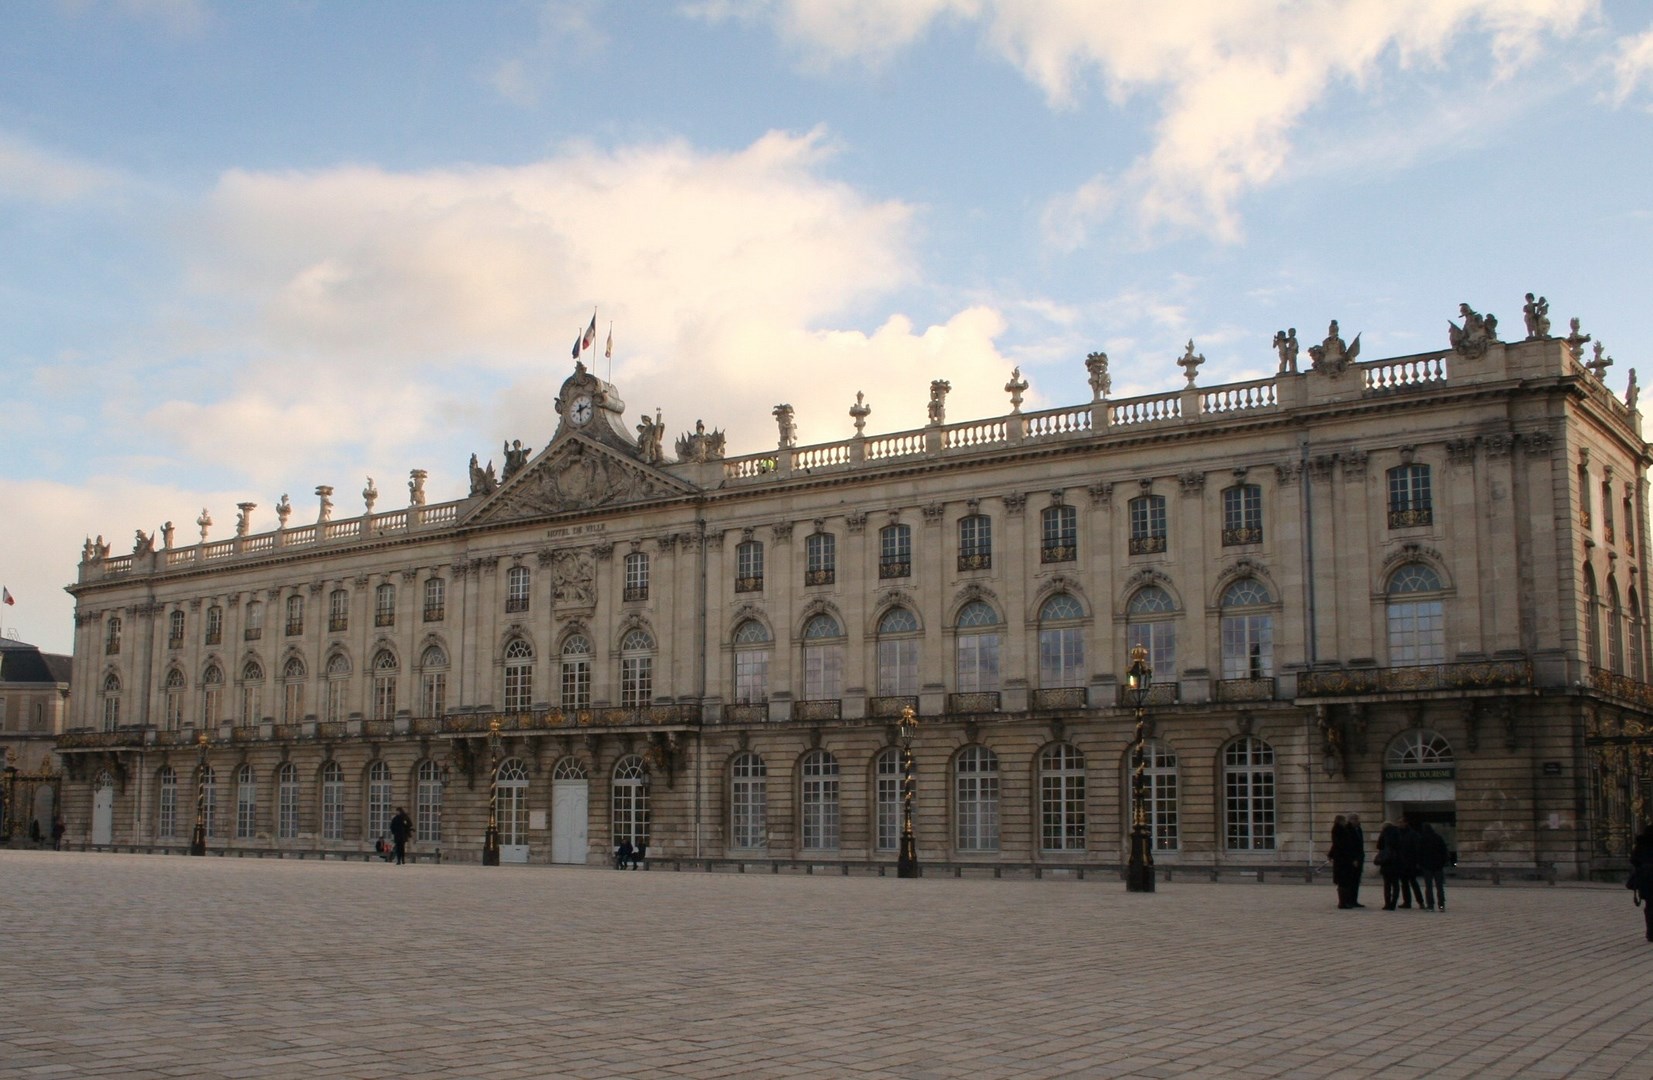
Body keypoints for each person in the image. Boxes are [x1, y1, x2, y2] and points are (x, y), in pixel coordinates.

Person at [1417, 822, 1449, 911]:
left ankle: (1430, 905)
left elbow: (1419, 853)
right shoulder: (1438, 838)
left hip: (1427, 866)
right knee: (1439, 887)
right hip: (1438, 866)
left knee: (1429, 887)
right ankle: (1441, 906)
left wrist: (1421, 864)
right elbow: (1444, 851)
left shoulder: (1422, 839)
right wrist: (1442, 862)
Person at [1630, 825, 1653, 942]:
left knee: (1649, 906)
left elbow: (1633, 860)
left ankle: (1650, 932)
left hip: (1645, 879)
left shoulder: (1641, 844)